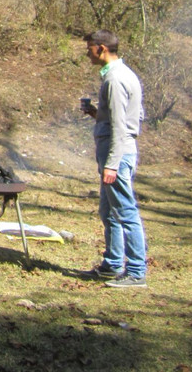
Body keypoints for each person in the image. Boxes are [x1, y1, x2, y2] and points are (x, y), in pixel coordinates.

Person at [79, 30, 148, 288]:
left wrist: (112, 164)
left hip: (117, 154)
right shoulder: (122, 75)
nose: (87, 52)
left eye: (90, 48)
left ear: (102, 48)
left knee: (125, 212)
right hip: (115, 150)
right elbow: (131, 117)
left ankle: (137, 272)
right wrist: (95, 113)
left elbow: (122, 126)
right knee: (108, 211)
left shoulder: (115, 80)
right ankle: (112, 264)